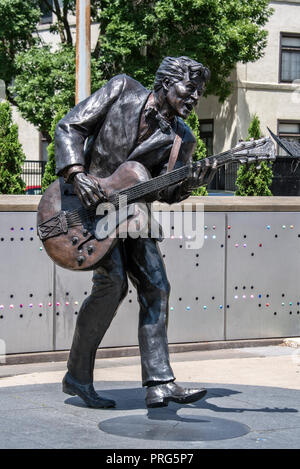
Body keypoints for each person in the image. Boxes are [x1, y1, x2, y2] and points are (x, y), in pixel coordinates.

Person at [55, 56, 217, 408]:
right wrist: (77, 174)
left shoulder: (182, 138)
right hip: (84, 205)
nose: (194, 99)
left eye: (199, 93)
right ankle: (77, 376)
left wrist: (192, 182)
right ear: (167, 81)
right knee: (112, 285)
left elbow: (167, 192)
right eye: (190, 89)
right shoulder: (122, 89)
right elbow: (70, 126)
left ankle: (159, 383)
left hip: (134, 215)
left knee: (157, 288)